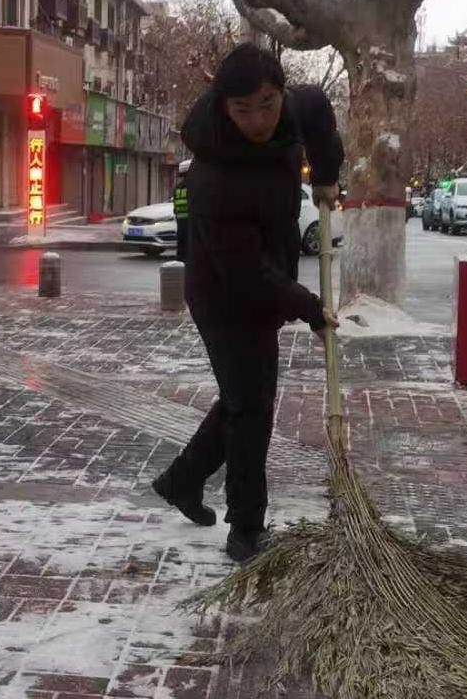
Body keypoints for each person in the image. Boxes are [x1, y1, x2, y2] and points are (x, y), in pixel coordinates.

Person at [151, 43, 344, 564]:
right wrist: (308, 306)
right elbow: (244, 271)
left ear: (280, 92)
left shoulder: (295, 108)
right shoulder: (213, 176)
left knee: (243, 398)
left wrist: (327, 174)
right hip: (222, 294)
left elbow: (320, 113)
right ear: (223, 105)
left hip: (266, 280)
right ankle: (246, 529)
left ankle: (182, 480)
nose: (257, 120)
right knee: (252, 408)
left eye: (266, 104)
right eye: (242, 110)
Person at [173, 159, 192, 261]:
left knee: (181, 251)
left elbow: (175, 208)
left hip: (180, 223)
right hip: (191, 224)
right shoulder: (193, 186)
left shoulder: (178, 188)